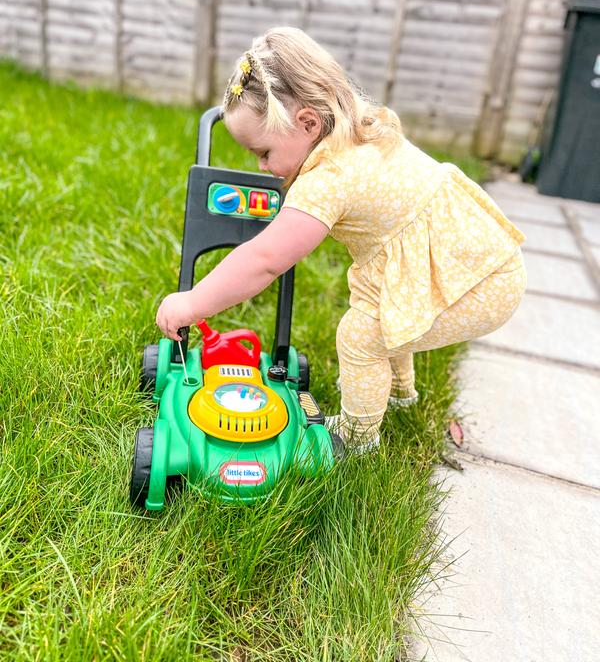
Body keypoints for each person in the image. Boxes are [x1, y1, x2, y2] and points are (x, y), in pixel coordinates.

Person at [155, 27, 527, 453]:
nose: (262, 167)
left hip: (480, 279)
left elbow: (265, 259)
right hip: (467, 253)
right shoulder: (360, 131)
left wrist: (192, 303)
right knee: (384, 306)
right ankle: (402, 395)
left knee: (361, 336)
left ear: (308, 123)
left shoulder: (329, 179)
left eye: (264, 152)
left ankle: (357, 437)